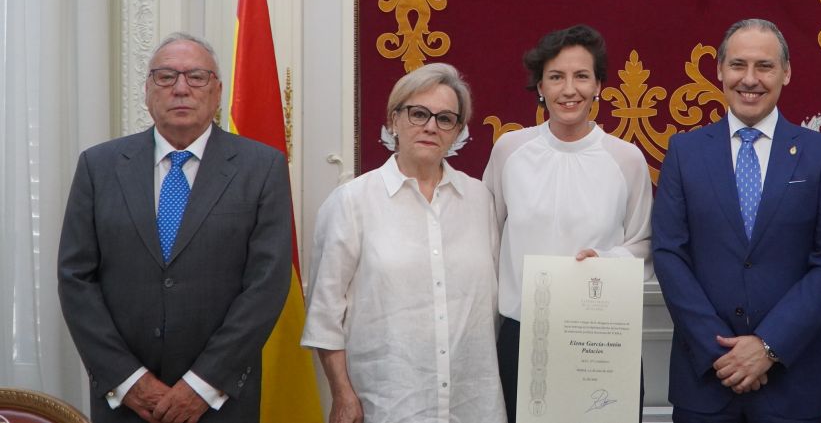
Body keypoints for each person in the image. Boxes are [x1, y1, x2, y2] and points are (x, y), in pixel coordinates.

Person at [57, 32, 293, 423]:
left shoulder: (262, 167)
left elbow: (266, 285)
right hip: (126, 403)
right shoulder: (98, 167)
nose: (181, 88)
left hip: (220, 402)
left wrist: (202, 385)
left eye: (196, 77)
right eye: (166, 77)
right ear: (147, 91)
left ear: (217, 92)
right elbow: (75, 279)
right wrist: (129, 380)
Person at [652, 18, 821, 423]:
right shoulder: (684, 151)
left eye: (764, 66)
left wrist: (767, 346)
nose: (750, 79)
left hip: (793, 382)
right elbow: (669, 254)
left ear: (786, 72)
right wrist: (721, 353)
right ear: (719, 71)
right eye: (738, 65)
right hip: (706, 380)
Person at [301, 63, 504, 423]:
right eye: (418, 113)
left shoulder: (480, 201)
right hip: (388, 404)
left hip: (472, 404)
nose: (431, 126)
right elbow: (324, 314)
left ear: (458, 132)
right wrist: (342, 393)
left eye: (445, 119)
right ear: (393, 120)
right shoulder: (352, 202)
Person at [483, 24, 653, 423]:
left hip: (601, 336)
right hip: (524, 334)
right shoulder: (510, 150)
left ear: (599, 86)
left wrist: (605, 260)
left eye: (582, 76)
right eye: (556, 77)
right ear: (540, 86)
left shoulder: (626, 159)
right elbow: (487, 239)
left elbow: (643, 244)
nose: (569, 89)